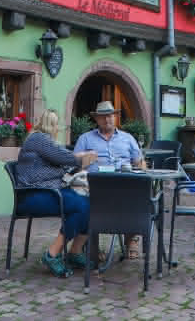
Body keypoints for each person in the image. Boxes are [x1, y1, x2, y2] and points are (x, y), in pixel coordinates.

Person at [15, 110, 94, 278]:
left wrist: (76, 159)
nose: (57, 127)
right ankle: (51, 255)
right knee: (81, 206)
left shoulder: (39, 141)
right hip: (33, 196)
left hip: (45, 192)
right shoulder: (39, 139)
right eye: (55, 123)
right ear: (50, 125)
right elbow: (64, 157)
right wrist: (83, 157)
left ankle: (75, 252)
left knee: (88, 204)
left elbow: (61, 161)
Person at [72, 102, 146, 259]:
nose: (107, 119)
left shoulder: (128, 138)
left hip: (124, 183)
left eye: (110, 115)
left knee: (137, 193)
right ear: (97, 119)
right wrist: (85, 160)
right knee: (86, 201)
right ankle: (92, 245)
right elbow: (75, 165)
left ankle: (131, 239)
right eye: (103, 116)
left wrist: (141, 166)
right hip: (95, 186)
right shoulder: (85, 139)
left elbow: (140, 162)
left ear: (116, 117)